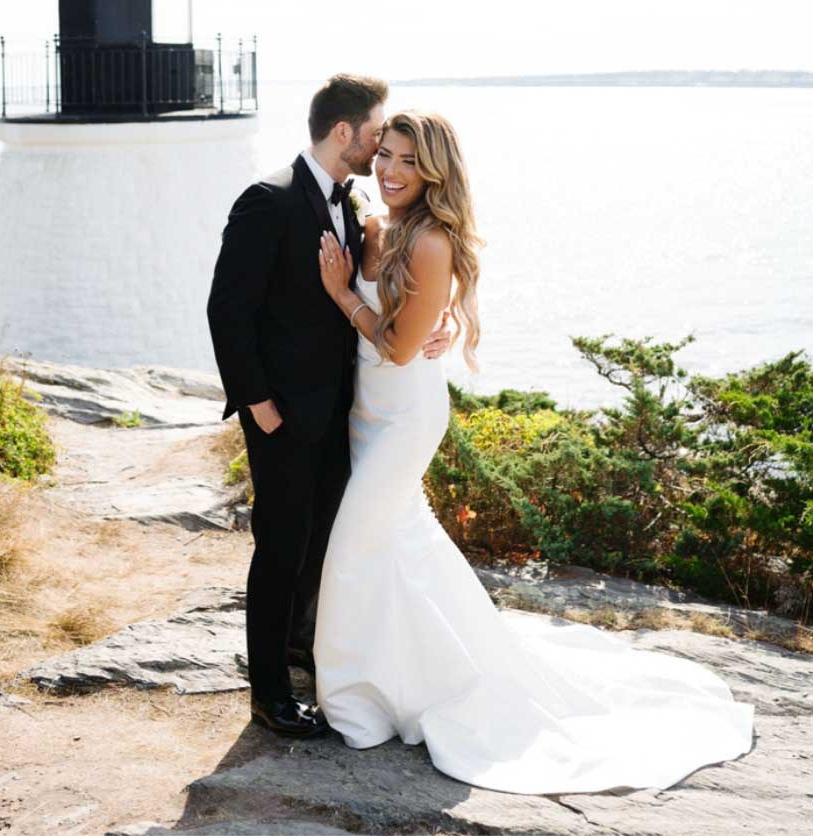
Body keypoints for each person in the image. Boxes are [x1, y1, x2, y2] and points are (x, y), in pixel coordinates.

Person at [313, 109, 756, 794]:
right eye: (387, 156)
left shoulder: (429, 240)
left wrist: (343, 295)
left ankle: (358, 702)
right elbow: (405, 319)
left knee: (353, 550)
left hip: (405, 418)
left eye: (407, 161)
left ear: (435, 172)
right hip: (366, 412)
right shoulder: (379, 225)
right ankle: (406, 673)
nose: (391, 171)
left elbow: (400, 346)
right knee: (396, 549)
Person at [206, 76, 453, 738]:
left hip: (347, 414)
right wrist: (258, 405)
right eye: (377, 137)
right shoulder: (269, 199)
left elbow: (408, 283)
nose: (381, 153)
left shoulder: (358, 203)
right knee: (281, 548)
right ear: (344, 132)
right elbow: (228, 311)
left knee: (322, 546)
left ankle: (300, 657)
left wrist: (441, 322)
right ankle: (268, 694)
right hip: (283, 416)